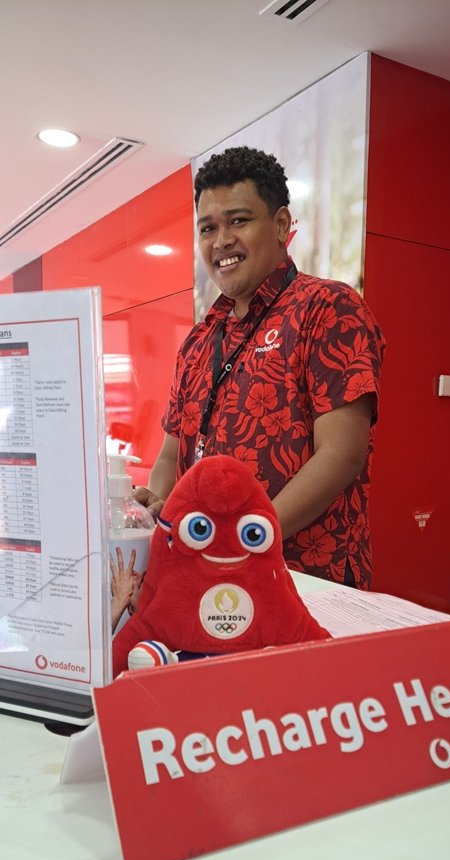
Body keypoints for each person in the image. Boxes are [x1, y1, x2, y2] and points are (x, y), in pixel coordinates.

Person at [136, 146, 385, 589]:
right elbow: (172, 455)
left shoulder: (328, 307)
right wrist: (156, 507)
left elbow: (341, 453)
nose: (221, 241)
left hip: (305, 580)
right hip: (205, 577)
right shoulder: (199, 340)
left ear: (282, 224)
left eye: (238, 221)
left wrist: (249, 537)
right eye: (208, 228)